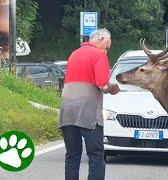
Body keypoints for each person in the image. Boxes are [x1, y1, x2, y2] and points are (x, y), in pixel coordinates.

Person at [59, 28, 119, 180]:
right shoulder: (99, 55)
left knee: (72, 155)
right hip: (88, 111)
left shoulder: (74, 54)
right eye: (107, 47)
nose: (107, 51)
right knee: (96, 155)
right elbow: (102, 84)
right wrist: (114, 88)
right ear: (99, 38)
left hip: (67, 110)